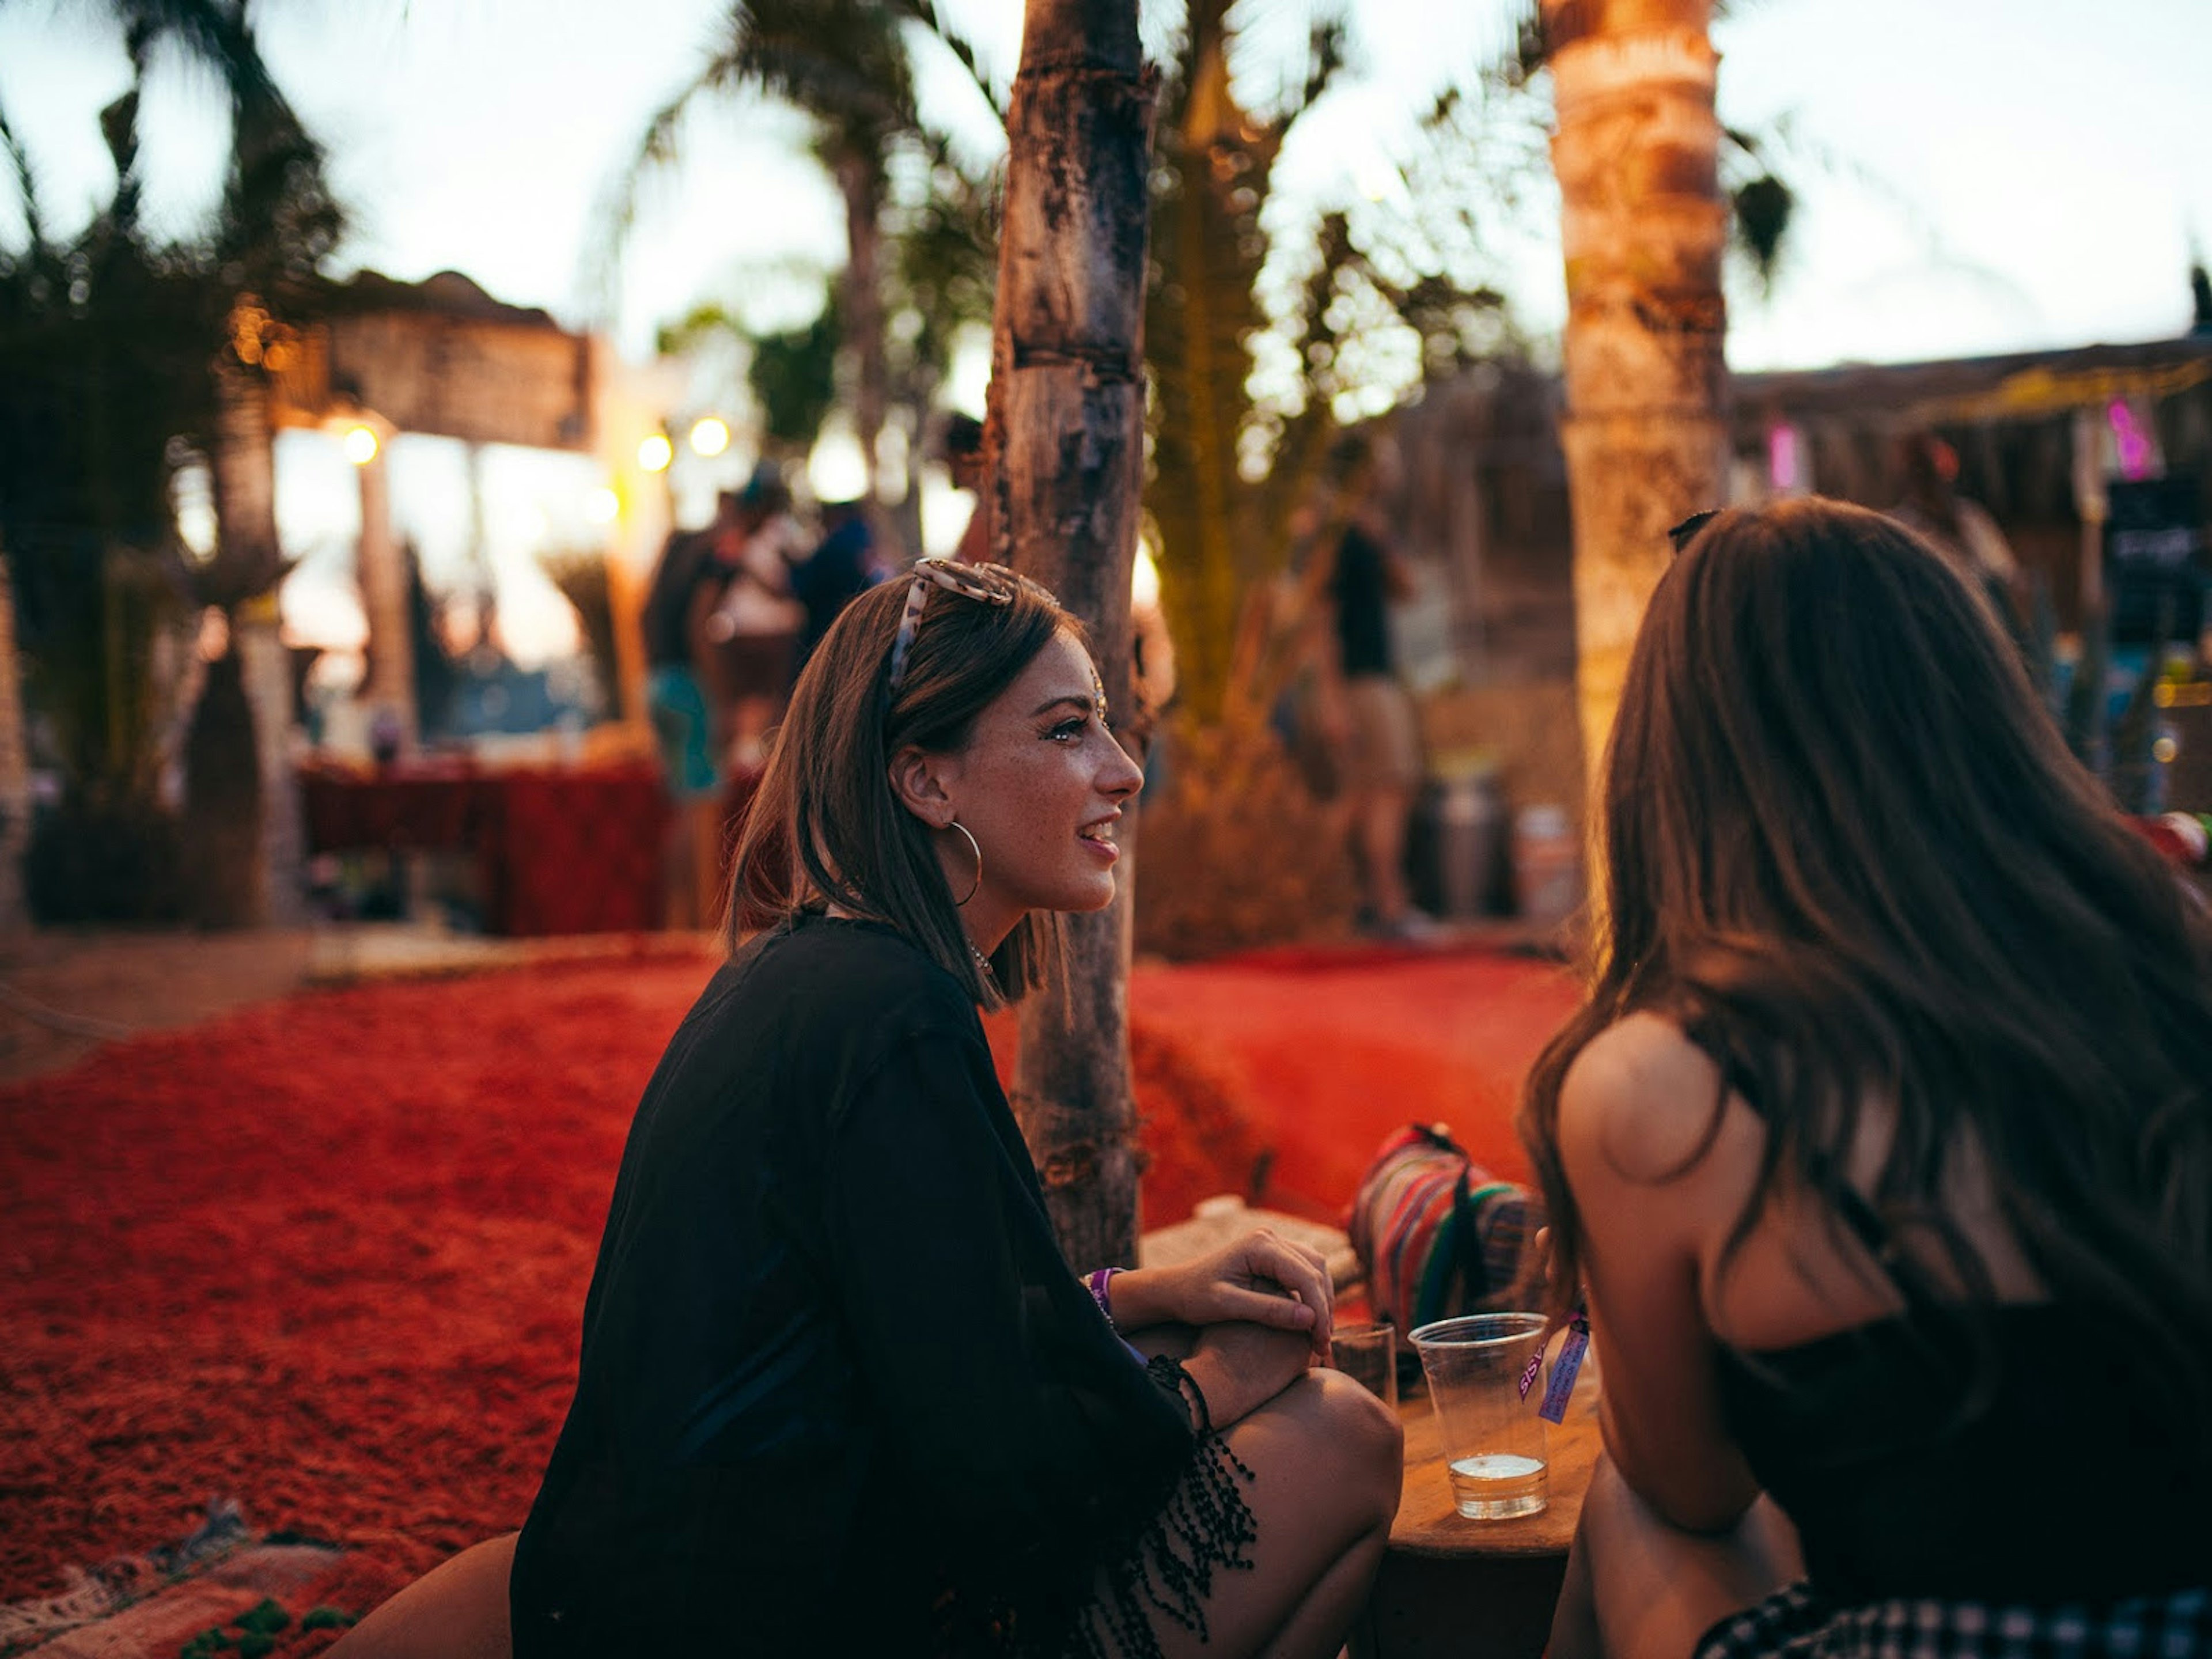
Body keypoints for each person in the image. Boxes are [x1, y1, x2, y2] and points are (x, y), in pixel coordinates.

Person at [331, 558, 1403, 1659]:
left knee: (1185, 1337)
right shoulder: (895, 1019)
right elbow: (1009, 1481)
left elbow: (893, 1309)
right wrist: (1222, 1380)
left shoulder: (802, 971)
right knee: (1344, 1438)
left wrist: (1145, 1295)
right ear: (926, 783)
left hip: (673, 1581)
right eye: (1067, 730)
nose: (1124, 771)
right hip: (812, 1611)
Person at [1519, 499, 2212, 1659]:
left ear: (1678, 755)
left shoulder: (1660, 1087)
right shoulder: (2168, 945)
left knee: (1629, 1506)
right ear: (1979, 711)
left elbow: (1692, 1487)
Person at [1312, 433, 1434, 941]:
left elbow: (1408, 589)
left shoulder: (1369, 533)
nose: (1392, 468)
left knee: (1368, 793)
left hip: (1375, 678)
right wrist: (1331, 697)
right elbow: (1320, 621)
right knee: (1387, 788)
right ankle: (1387, 905)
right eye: (1381, 459)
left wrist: (1383, 538)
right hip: (1360, 683)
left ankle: (1343, 901)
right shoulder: (1334, 536)